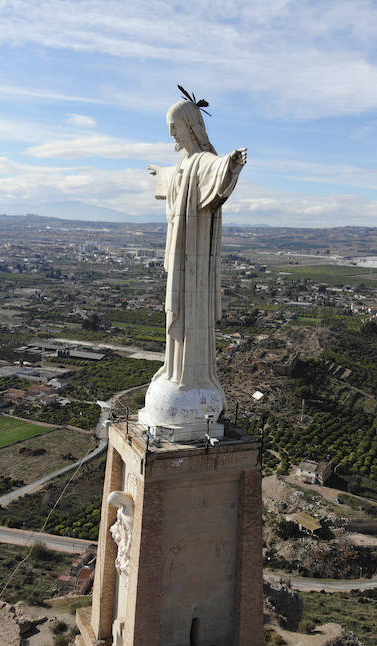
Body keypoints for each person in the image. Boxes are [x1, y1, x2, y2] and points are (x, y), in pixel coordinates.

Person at [138, 98, 246, 439]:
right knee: (177, 312)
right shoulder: (184, 166)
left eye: (174, 126)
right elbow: (176, 176)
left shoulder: (202, 162)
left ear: (190, 126)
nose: (171, 132)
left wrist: (230, 164)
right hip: (181, 260)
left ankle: (191, 380)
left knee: (191, 314)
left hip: (197, 261)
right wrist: (162, 173)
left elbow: (214, 170)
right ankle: (172, 373)